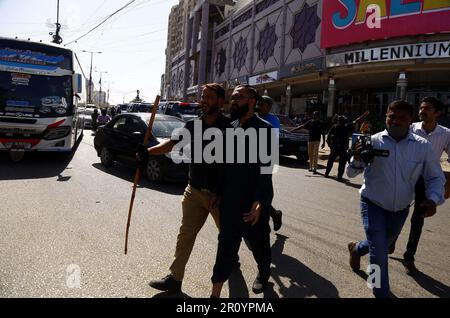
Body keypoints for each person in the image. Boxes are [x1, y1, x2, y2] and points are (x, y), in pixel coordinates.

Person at [346, 100, 445, 298]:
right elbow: (350, 173)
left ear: (411, 121)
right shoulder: (372, 141)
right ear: (386, 117)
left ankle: (357, 249)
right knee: (379, 252)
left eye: (402, 118)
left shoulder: (422, 147)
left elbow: (435, 177)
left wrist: (433, 199)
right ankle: (379, 291)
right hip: (372, 203)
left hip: (400, 209)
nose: (395, 121)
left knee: (381, 244)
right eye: (391, 117)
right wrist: (357, 158)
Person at [142, 83, 231, 293]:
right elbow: (171, 144)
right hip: (194, 191)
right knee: (185, 234)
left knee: (229, 237)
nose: (204, 100)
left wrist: (220, 192)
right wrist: (148, 152)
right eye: (203, 96)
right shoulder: (193, 125)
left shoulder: (229, 128)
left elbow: (232, 166)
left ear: (220, 101)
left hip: (219, 196)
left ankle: (240, 261)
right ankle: (175, 277)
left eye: (209, 97)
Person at [210, 85, 275, 297]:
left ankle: (264, 274)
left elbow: (267, 169)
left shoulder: (264, 129)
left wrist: (260, 201)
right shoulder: (229, 127)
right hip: (230, 199)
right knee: (225, 246)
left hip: (252, 202)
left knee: (259, 246)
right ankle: (215, 294)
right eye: (233, 97)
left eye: (239, 97)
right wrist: (218, 192)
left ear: (252, 101)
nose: (234, 100)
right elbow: (223, 165)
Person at [389, 97, 450, 275]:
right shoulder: (410, 128)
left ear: (438, 113)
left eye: (427, 108)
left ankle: (409, 257)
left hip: (426, 180)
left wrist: (448, 185)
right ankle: (391, 241)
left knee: (418, 220)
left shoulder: (446, 134)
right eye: (421, 108)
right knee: (398, 211)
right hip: (406, 177)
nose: (422, 111)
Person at [256, 95, 282, 232]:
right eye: (258, 104)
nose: (259, 106)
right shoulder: (254, 117)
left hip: (267, 160)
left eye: (262, 104)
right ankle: (274, 214)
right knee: (254, 192)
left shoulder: (273, 120)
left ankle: (270, 218)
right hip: (253, 161)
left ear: (269, 107)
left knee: (263, 192)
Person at [325, 111, 369, 181]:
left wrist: (330, 146)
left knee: (330, 161)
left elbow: (328, 137)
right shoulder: (346, 126)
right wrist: (363, 116)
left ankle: (326, 174)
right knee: (342, 163)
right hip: (342, 148)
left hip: (335, 148)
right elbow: (356, 121)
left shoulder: (334, 127)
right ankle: (339, 177)